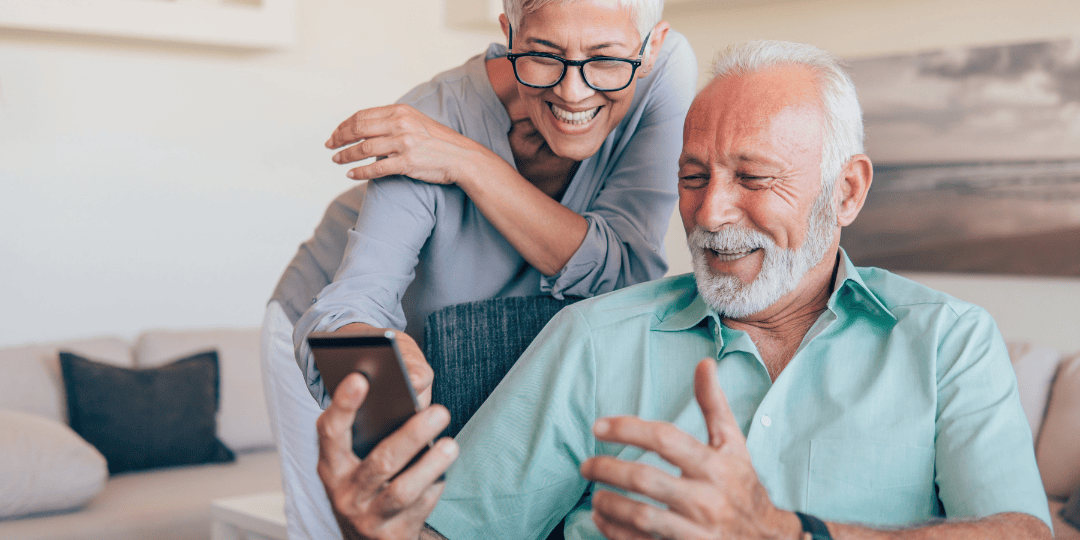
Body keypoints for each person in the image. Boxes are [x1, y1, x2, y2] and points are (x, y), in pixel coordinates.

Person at [314, 40, 1054, 540]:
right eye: (692, 177)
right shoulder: (593, 338)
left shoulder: (947, 340)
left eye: (754, 178)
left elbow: (1019, 532)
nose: (710, 212)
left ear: (848, 190)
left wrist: (784, 533)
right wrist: (373, 527)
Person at [262, 0, 696, 538]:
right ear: (509, 33)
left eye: (605, 59)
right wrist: (370, 352)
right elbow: (348, 304)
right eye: (542, 54)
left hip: (486, 329)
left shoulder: (663, 70)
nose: (574, 91)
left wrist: (467, 163)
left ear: (650, 46)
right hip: (329, 328)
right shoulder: (429, 121)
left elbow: (627, 274)